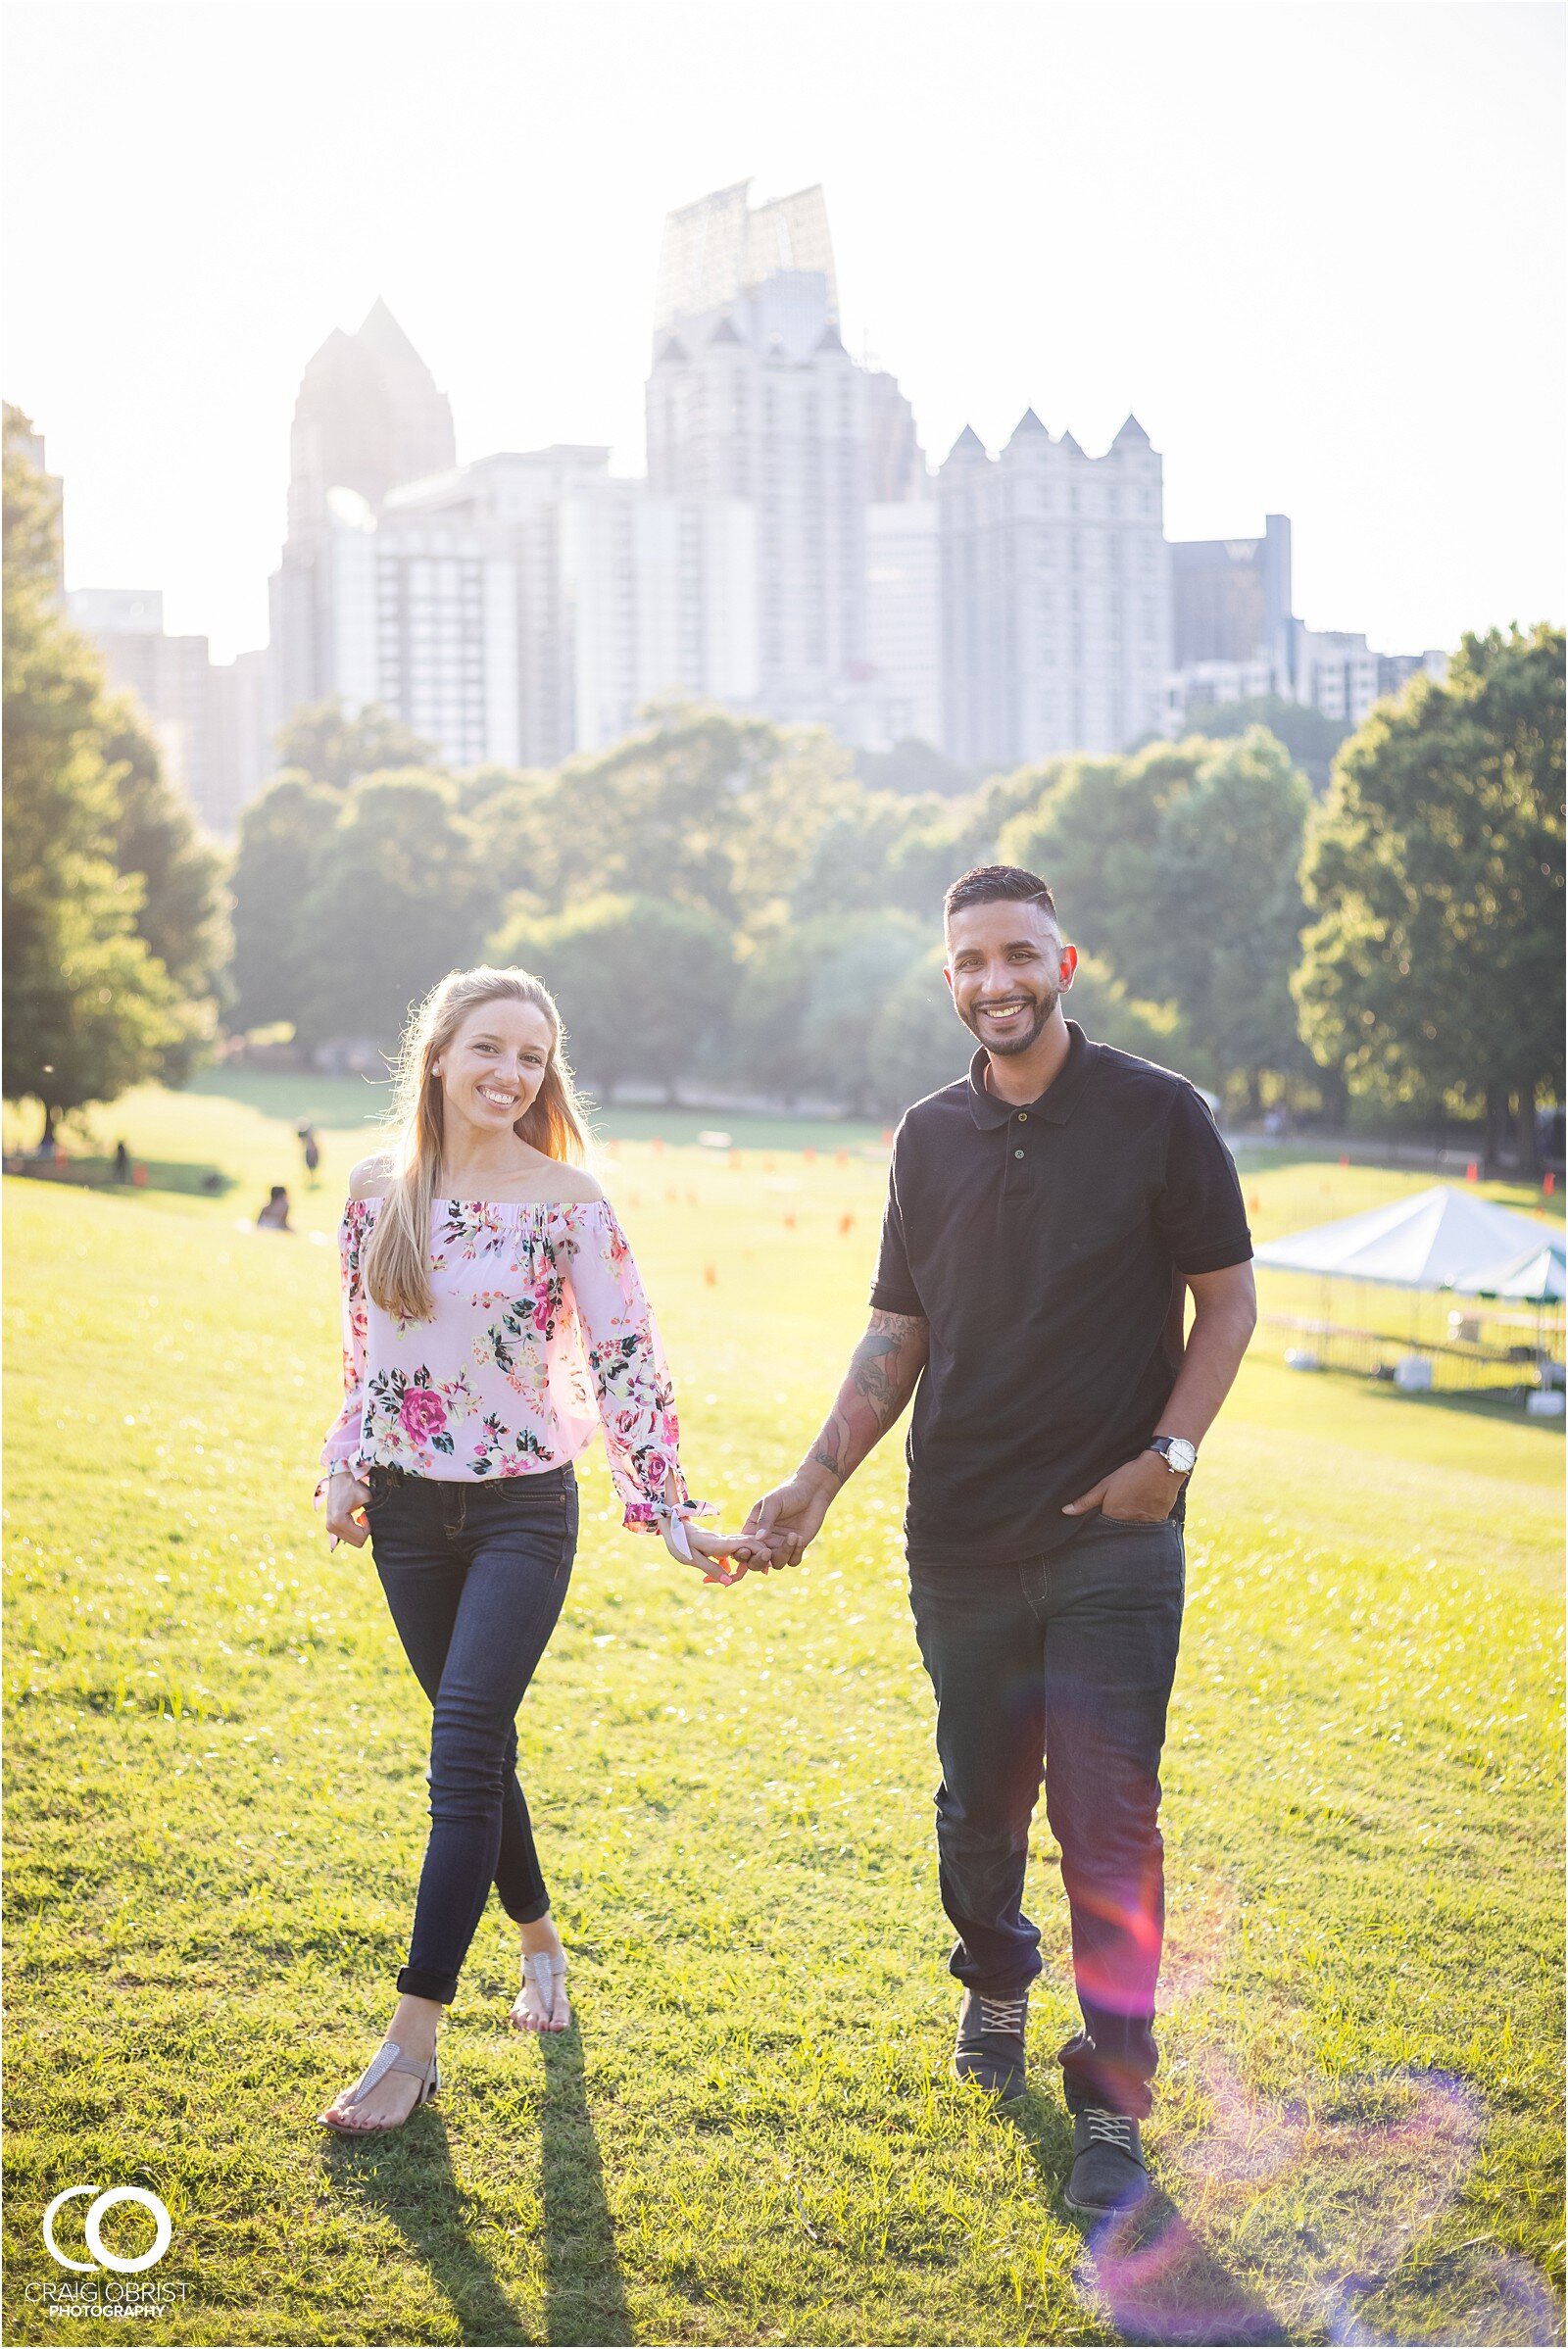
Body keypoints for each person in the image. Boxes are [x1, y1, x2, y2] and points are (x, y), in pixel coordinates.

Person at [742, 866, 1256, 2217]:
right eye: (971, 961)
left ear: (1065, 961)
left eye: (1019, 954)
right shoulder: (927, 1135)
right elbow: (898, 1328)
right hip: (959, 1536)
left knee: (1108, 1817)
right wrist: (814, 1478)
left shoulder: (1159, 1115)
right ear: (950, 978)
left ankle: (1114, 2103)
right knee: (979, 1815)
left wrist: (1171, 1460)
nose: (996, 980)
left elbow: (1230, 1303)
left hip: (1113, 1538)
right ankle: (995, 1979)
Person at [316, 965, 760, 2135]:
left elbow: (627, 1363)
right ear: (439, 1055)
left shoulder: (571, 1201)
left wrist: (668, 1512)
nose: (512, 1074)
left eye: (533, 1056)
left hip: (521, 1510)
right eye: (490, 1050)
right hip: (406, 1517)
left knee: (460, 1744)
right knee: (479, 1745)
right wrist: (342, 1463)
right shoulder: (376, 1192)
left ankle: (412, 2042)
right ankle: (542, 1948)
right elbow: (365, 1358)